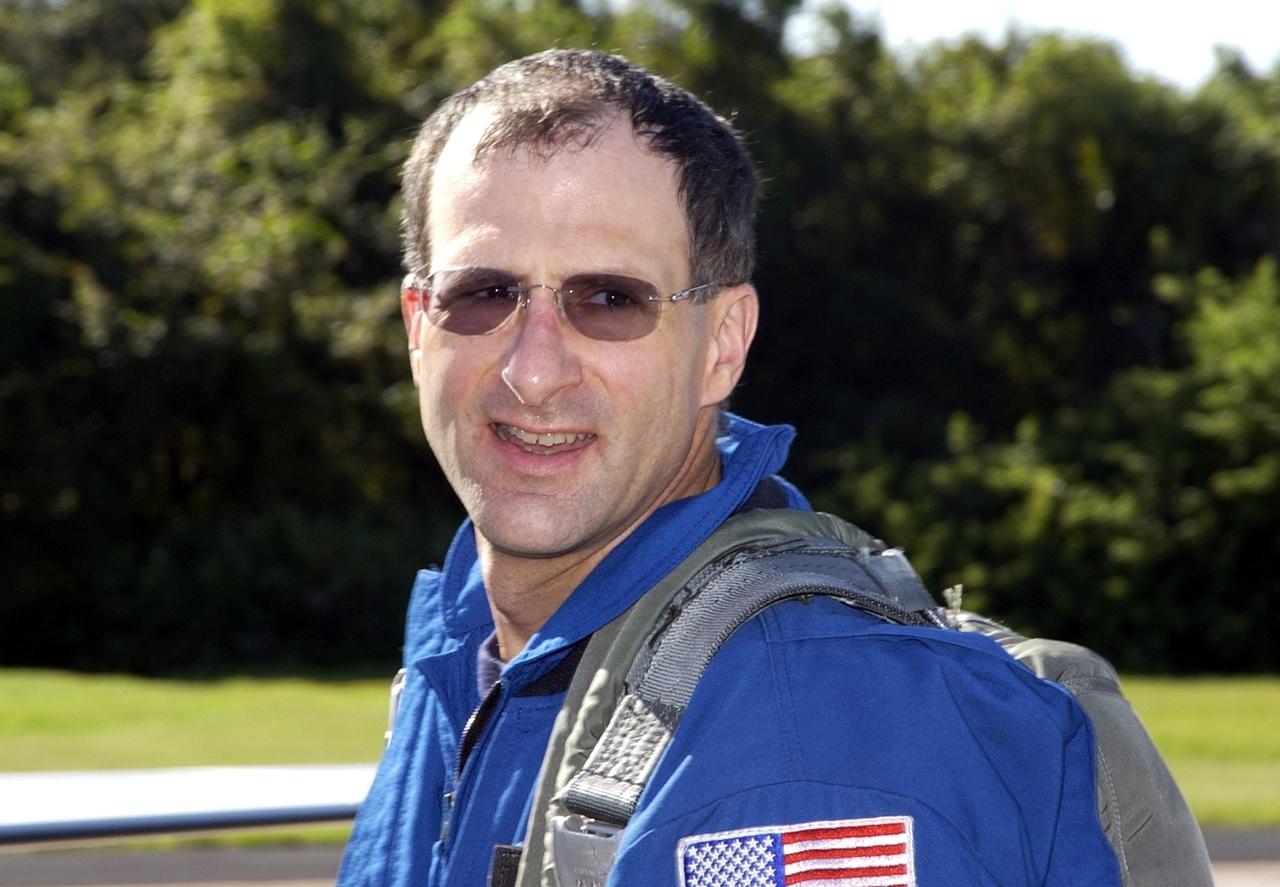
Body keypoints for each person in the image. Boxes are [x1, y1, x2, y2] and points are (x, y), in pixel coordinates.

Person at [338, 49, 1188, 887]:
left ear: (723, 344)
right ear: (419, 324)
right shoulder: (456, 669)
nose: (533, 367)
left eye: (609, 300)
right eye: (483, 292)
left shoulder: (813, 751)